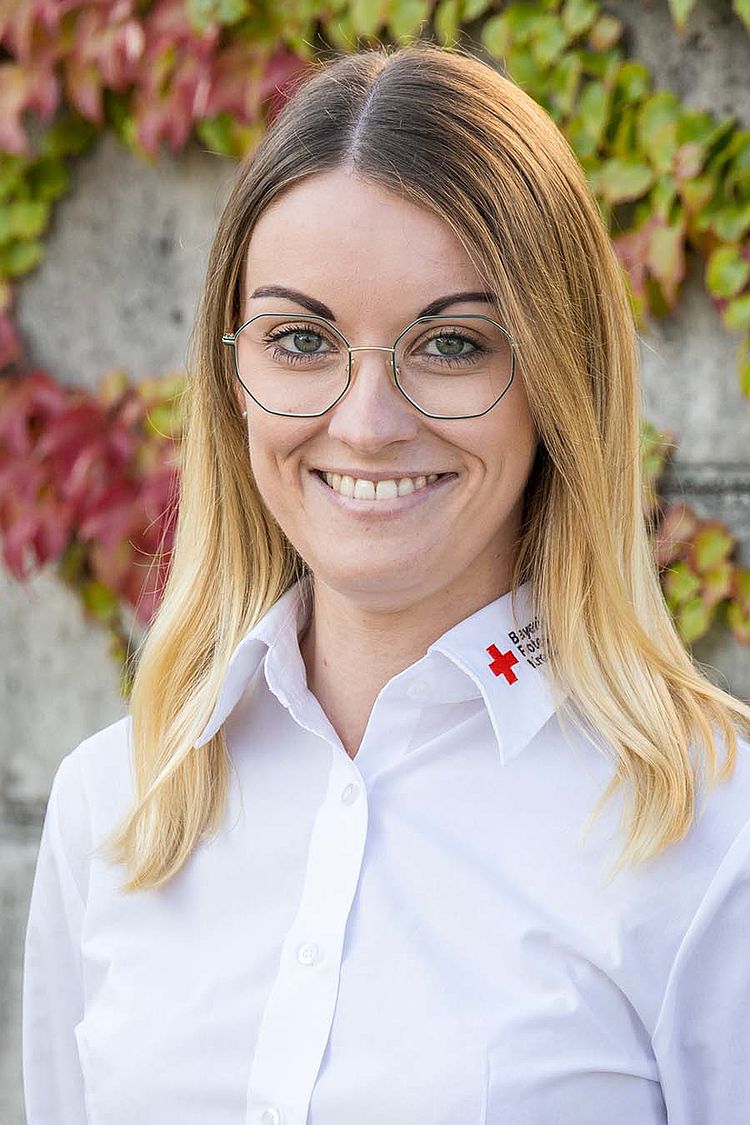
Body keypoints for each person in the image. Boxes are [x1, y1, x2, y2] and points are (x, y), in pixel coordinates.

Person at [22, 38, 750, 1125]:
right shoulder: (114, 804)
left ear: (557, 377)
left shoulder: (714, 829)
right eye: (301, 338)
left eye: (453, 345)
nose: (366, 424)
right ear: (234, 377)